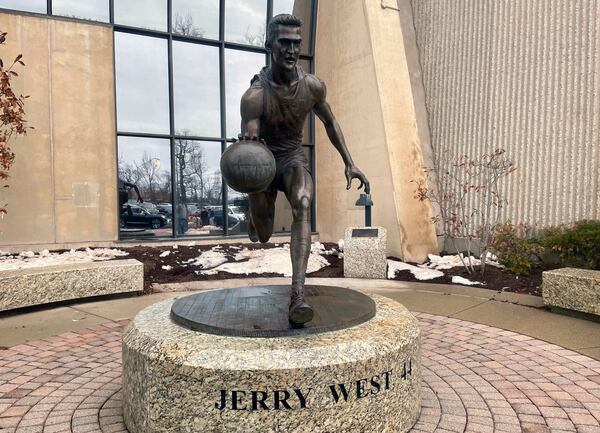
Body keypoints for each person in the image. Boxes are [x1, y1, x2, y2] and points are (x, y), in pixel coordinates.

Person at [240, 14, 369, 324]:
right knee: (265, 234)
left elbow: (330, 122)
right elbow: (251, 131)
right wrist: (251, 142)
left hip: (293, 158)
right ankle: (257, 215)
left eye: (296, 44)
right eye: (285, 43)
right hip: (264, 160)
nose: (291, 50)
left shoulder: (312, 86)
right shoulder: (255, 96)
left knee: (302, 202)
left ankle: (297, 294)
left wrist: (349, 162)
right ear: (269, 45)